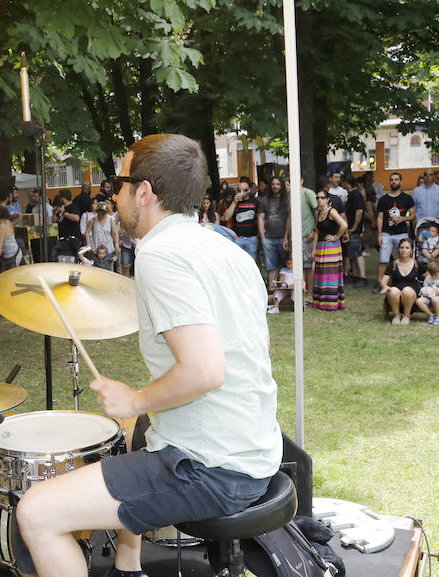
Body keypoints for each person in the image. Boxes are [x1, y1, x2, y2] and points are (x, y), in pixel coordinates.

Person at [17, 135, 281, 577]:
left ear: (144, 192)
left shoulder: (160, 254)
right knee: (136, 433)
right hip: (254, 447)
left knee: (36, 511)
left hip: (212, 469)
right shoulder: (225, 247)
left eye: (118, 183)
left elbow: (205, 369)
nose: (114, 195)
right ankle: (128, 564)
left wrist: (136, 400)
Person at [373, 172, 416, 293]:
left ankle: (407, 281)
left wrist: (403, 218)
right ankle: (380, 283)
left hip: (402, 233)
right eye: (392, 180)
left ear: (401, 182)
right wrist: (379, 234)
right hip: (386, 234)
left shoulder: (407, 198)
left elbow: (413, 215)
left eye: (396, 179)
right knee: (383, 259)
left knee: (405, 258)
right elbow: (380, 218)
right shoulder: (383, 199)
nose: (394, 182)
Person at [311, 190, 348, 311]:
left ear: (327, 199)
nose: (319, 200)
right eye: (318, 197)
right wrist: (314, 248)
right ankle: (321, 301)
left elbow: (344, 225)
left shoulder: (332, 211)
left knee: (330, 275)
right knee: (321, 274)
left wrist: (336, 237)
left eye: (322, 197)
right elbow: (317, 231)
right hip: (321, 247)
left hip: (331, 247)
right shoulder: (318, 213)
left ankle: (331, 303)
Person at [283, 182, 317, 305]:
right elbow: (289, 217)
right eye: (286, 184)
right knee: (296, 267)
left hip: (306, 236)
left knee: (307, 267)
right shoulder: (290, 196)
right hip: (293, 237)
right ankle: (298, 295)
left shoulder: (308, 193)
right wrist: (286, 236)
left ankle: (309, 295)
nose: (287, 187)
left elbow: (318, 211)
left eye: (289, 184)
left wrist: (314, 231)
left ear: (301, 180)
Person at [379, 238, 420, 325]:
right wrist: (385, 287)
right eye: (402, 247)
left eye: (407, 248)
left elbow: (432, 276)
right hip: (395, 296)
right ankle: (396, 315)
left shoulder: (417, 264)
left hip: (411, 296)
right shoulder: (393, 264)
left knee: (407, 290)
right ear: (398, 249)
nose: (404, 250)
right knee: (393, 290)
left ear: (411, 250)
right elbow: (383, 281)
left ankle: (406, 315)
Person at [258, 176, 289, 287]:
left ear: (281, 186)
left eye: (278, 184)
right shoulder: (264, 200)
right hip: (269, 239)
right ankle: (272, 292)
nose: (275, 186)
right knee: (271, 267)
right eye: (273, 184)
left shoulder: (287, 200)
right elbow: (261, 218)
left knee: (284, 265)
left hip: (283, 238)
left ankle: (284, 291)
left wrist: (287, 236)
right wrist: (263, 237)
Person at [224, 180, 259, 262]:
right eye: (239, 190)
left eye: (245, 190)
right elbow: (226, 217)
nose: (242, 192)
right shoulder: (233, 202)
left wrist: (258, 237)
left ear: (249, 190)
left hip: (252, 238)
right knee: (238, 263)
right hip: (238, 238)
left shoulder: (255, 202)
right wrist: (234, 202)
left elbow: (259, 219)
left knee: (251, 264)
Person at [344, 176, 367, 287]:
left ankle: (363, 277)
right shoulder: (352, 194)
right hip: (350, 230)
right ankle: (355, 275)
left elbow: (359, 211)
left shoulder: (355, 194)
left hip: (354, 230)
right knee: (352, 254)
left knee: (358, 253)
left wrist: (354, 227)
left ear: (346, 183)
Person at [85, 201, 119, 270]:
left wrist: (116, 245)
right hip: (96, 249)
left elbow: (115, 233)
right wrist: (88, 244)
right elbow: (87, 232)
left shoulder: (110, 219)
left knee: (109, 269)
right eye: (99, 212)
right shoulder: (93, 219)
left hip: (108, 248)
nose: (101, 214)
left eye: (103, 212)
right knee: (96, 269)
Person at [0, 205, 22, 273]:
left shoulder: (1, 227)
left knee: (10, 279)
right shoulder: (8, 222)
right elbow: (6, 237)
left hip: (11, 256)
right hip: (16, 252)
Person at [54, 189, 82, 262]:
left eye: (60, 197)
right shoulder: (62, 208)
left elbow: (76, 218)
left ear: (63, 198)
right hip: (63, 240)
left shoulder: (73, 207)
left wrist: (65, 213)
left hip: (72, 240)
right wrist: (54, 213)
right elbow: (56, 221)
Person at [415, 260, 439, 325]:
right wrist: (423, 292)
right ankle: (431, 315)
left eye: (435, 274)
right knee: (418, 301)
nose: (433, 276)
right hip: (429, 298)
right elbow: (424, 288)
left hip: (437, 299)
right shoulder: (428, 278)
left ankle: (438, 317)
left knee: (435, 299)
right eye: (432, 275)